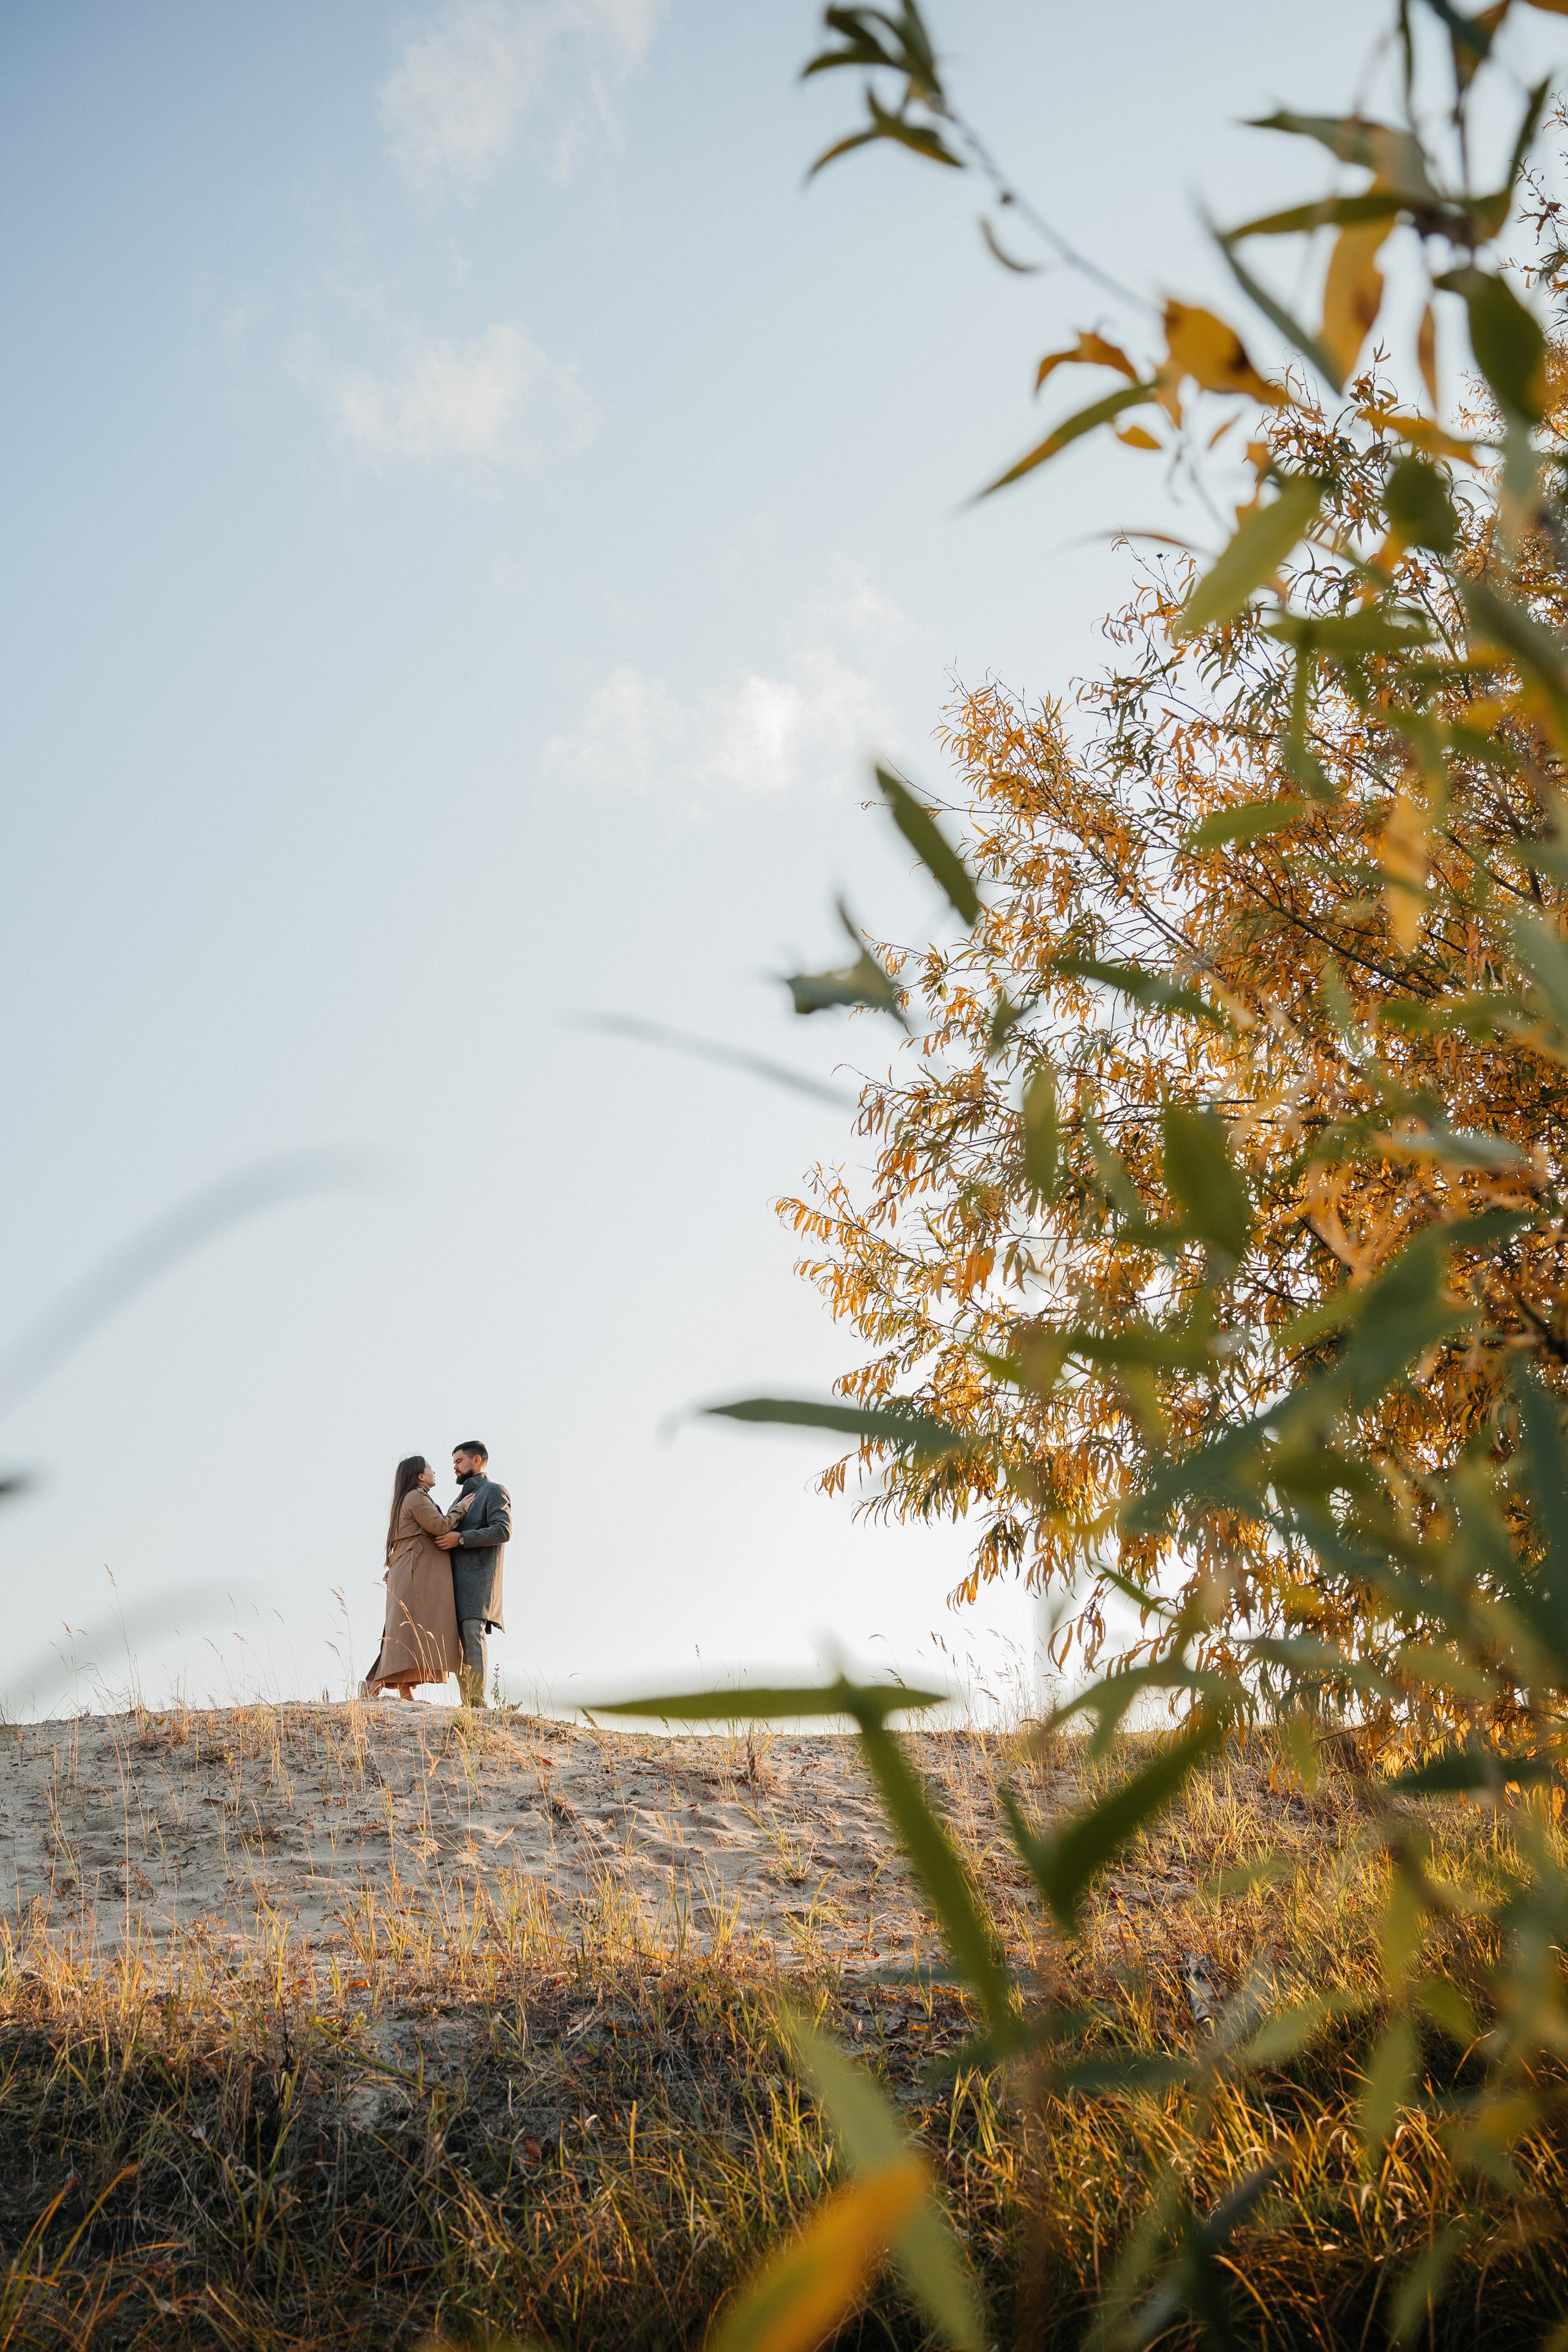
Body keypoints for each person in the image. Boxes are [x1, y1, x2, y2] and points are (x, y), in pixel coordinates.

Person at [361, 1456, 472, 1700]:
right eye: (430, 1469)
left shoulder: (410, 1498)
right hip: (415, 1572)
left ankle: (405, 1690)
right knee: (408, 1631)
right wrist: (461, 1509)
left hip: (412, 1569)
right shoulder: (415, 1497)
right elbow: (441, 1526)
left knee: (409, 1630)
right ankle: (374, 1685)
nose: (434, 1472)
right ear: (420, 1476)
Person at [445, 1440, 510, 1709]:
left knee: (473, 1637)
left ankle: (476, 1705)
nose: (455, 1468)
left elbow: (502, 1531)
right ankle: (468, 1706)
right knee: (457, 1648)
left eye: (459, 1461)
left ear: (477, 1461)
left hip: (479, 1582)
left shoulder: (494, 1491)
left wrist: (461, 1539)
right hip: (451, 1584)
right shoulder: (457, 1501)